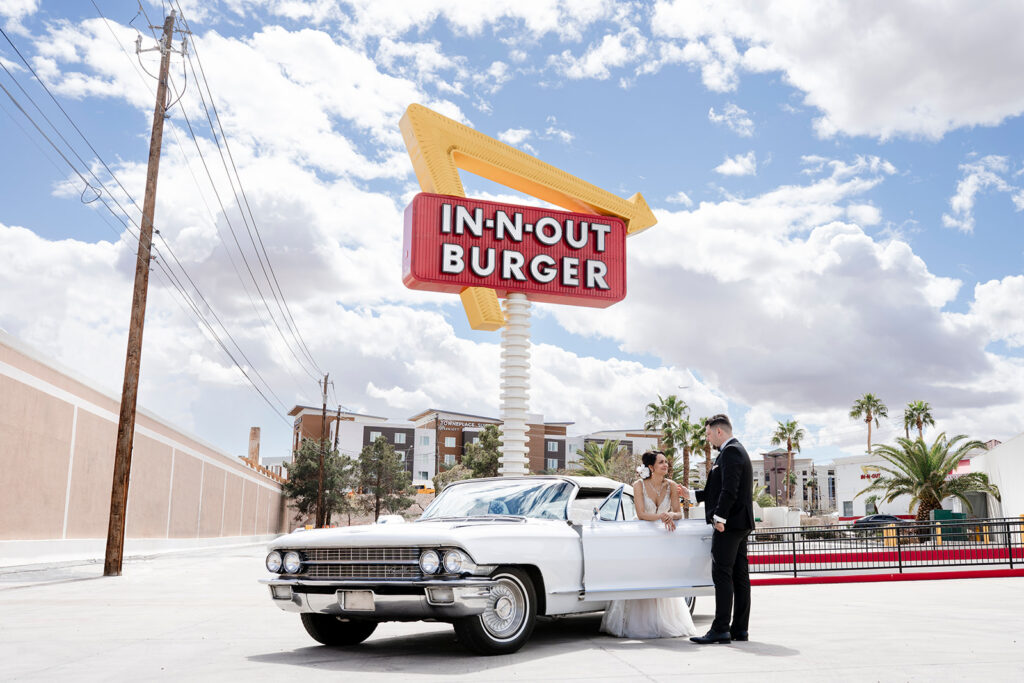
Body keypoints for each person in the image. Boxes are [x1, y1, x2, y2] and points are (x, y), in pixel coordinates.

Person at [600, 451, 698, 639]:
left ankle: (663, 622)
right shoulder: (638, 485)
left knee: (662, 578)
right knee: (642, 577)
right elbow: (642, 513)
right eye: (661, 462)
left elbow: (679, 513)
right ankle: (639, 624)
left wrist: (671, 515)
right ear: (651, 467)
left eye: (666, 462)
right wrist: (663, 516)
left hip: (663, 539)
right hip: (642, 538)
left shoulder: (671, 486)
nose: (666, 465)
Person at [680, 414, 754, 644]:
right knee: (739, 577)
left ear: (719, 431)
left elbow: (730, 490)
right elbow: (718, 488)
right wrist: (690, 495)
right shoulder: (733, 451)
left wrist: (719, 518)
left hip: (729, 525)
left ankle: (721, 628)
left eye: (708, 433)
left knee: (722, 574)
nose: (707, 438)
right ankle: (739, 629)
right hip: (739, 523)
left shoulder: (731, 452)